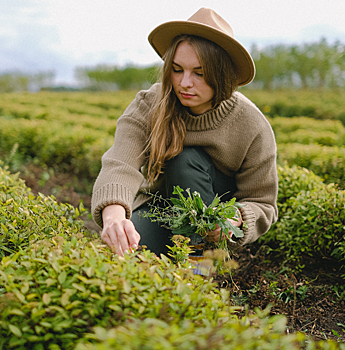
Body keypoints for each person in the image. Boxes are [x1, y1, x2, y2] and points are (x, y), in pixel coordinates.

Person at [91, 7, 278, 257]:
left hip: (214, 222)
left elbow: (263, 202)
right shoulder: (150, 104)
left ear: (222, 76)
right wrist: (114, 215)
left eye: (199, 73)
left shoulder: (251, 124)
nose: (184, 83)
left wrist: (236, 218)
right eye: (177, 69)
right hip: (163, 208)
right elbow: (120, 163)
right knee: (128, 252)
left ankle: (201, 262)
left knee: (184, 159)